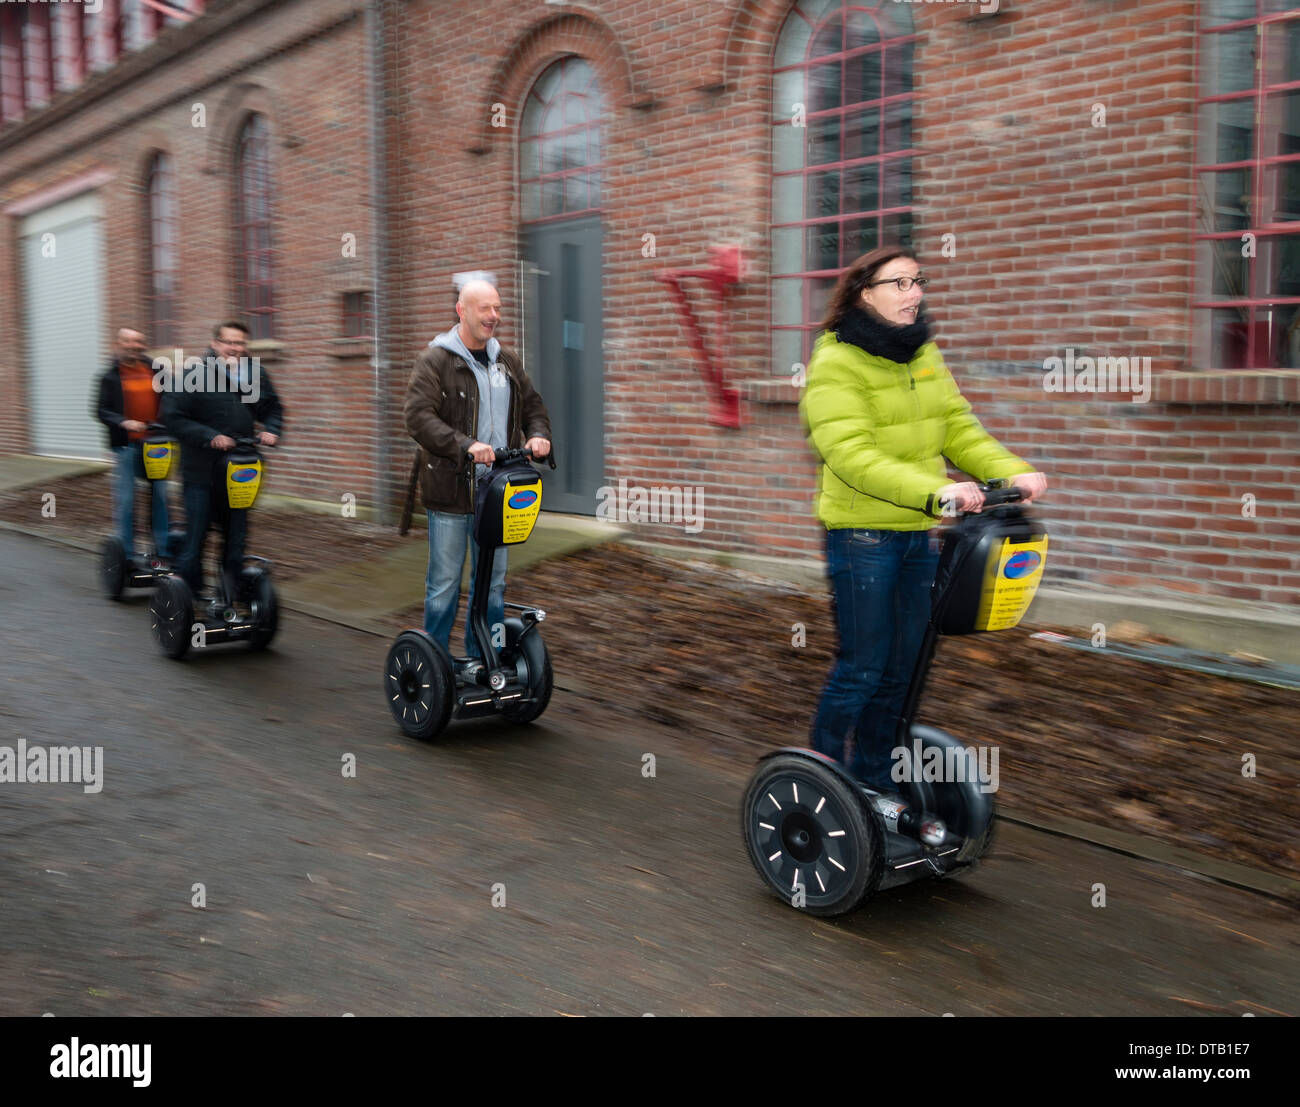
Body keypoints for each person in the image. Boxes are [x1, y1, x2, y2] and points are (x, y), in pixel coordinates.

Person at [801, 246, 1048, 792]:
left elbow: (958, 428)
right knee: (864, 666)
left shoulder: (922, 353)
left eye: (918, 281)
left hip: (917, 536)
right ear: (864, 292)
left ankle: (874, 781)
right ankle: (821, 778)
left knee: (904, 667)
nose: (915, 292)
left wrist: (1013, 470)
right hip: (861, 535)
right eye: (900, 283)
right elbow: (849, 454)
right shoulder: (836, 360)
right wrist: (937, 492)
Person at [404, 278, 551, 659]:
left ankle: (483, 660)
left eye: (497, 308)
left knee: (494, 585)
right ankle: (433, 666)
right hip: (451, 493)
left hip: (498, 492)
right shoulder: (436, 360)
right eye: (485, 308)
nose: (494, 316)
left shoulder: (507, 360)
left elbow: (533, 405)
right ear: (462, 311)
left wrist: (537, 435)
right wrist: (466, 446)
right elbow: (418, 417)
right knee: (444, 585)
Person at [162, 321, 284, 601]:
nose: (235, 348)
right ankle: (187, 602)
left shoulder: (254, 373)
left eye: (240, 343)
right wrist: (209, 435)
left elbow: (273, 407)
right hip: (200, 473)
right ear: (215, 344)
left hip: (239, 471)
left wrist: (272, 430)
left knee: (236, 539)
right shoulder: (193, 374)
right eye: (229, 342)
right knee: (197, 536)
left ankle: (229, 598)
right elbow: (172, 417)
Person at [94, 327, 173, 565]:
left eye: (138, 341)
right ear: (119, 344)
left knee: (160, 497)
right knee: (127, 500)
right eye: (128, 341)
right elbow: (101, 410)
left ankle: (163, 550)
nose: (133, 345)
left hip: (157, 445)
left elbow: (171, 398)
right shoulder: (109, 376)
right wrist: (123, 422)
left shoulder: (156, 369)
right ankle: (127, 556)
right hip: (126, 446)